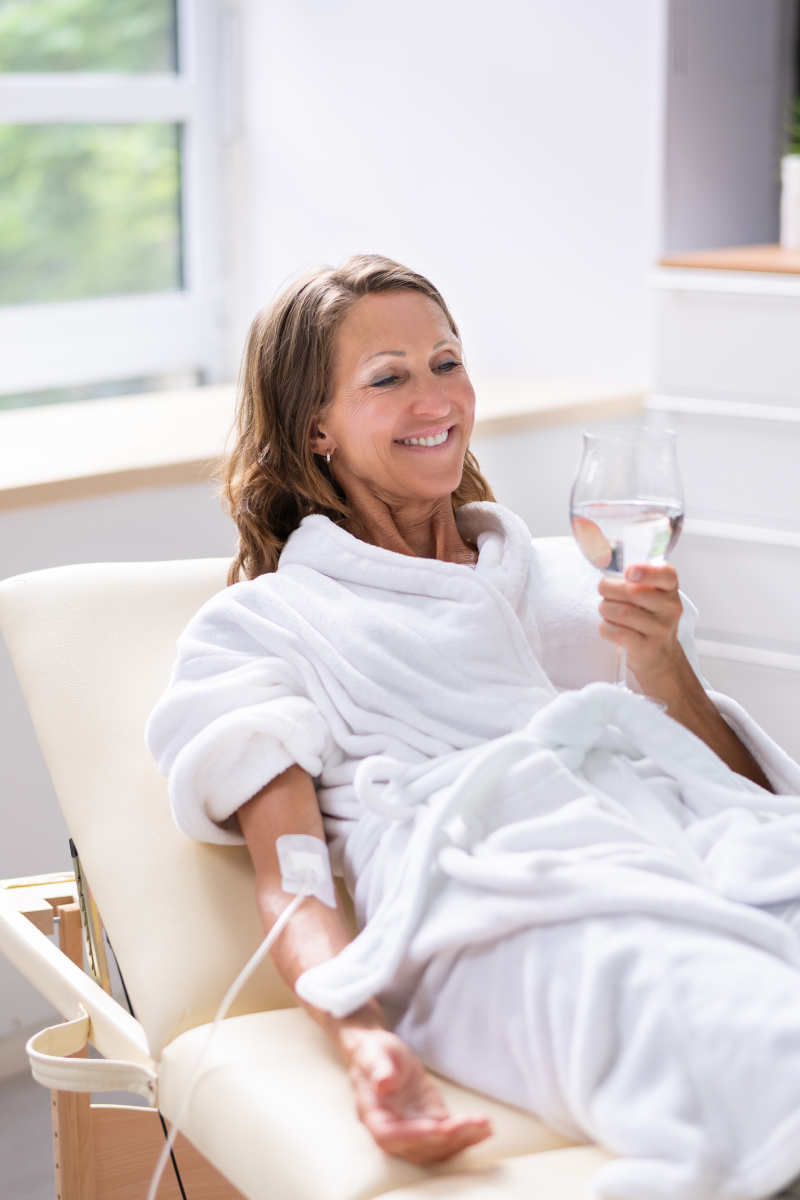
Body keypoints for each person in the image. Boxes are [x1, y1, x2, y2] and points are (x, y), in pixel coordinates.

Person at [147, 255, 800, 1200]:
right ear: (315, 428)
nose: (434, 398)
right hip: (507, 916)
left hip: (694, 851)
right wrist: (362, 1034)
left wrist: (663, 668)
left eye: (446, 362)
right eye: (389, 377)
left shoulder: (568, 579)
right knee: (756, 1038)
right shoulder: (267, 625)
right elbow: (289, 875)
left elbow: (735, 794)